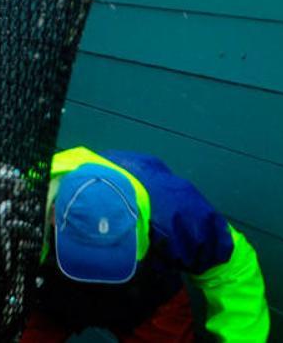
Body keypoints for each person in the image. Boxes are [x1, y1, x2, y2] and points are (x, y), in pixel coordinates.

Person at [24, 146, 269, 342]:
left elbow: (233, 268)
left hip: (146, 298)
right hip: (50, 293)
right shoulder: (23, 198)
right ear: (52, 216)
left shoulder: (176, 214)